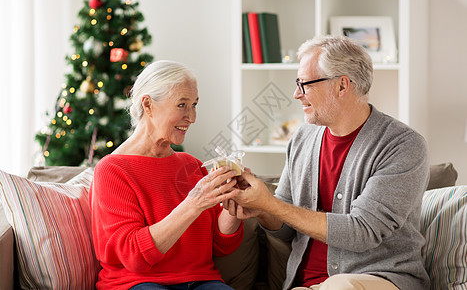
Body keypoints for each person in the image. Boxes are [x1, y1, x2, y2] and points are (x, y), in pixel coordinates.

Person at [230, 35, 430, 290]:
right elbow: (286, 230)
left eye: (305, 84)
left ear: (342, 86)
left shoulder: (402, 145)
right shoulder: (302, 138)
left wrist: (271, 204)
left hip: (381, 279)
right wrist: (261, 209)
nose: (296, 94)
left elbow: (362, 232)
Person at [89, 60, 243, 290]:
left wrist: (234, 204)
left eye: (194, 105)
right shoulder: (113, 170)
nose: (192, 117)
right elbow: (134, 255)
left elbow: (221, 246)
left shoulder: (192, 165)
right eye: (182, 105)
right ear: (148, 104)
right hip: (137, 283)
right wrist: (193, 204)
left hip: (202, 282)